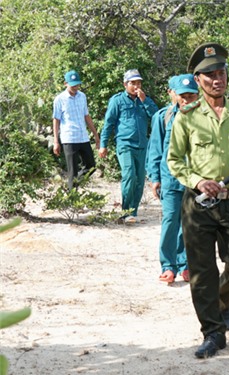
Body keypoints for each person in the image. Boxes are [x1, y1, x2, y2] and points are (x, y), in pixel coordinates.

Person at [167, 43, 229, 358]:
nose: (217, 79)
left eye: (221, 72)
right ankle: (212, 332)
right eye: (209, 75)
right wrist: (198, 181)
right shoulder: (186, 117)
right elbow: (175, 161)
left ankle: (222, 301)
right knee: (202, 270)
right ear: (197, 80)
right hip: (198, 205)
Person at [146, 74, 199, 285]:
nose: (186, 100)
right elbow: (156, 149)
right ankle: (168, 266)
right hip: (170, 179)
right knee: (170, 221)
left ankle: (186, 265)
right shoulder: (163, 117)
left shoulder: (205, 117)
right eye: (182, 96)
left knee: (191, 223)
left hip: (196, 181)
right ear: (174, 95)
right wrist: (155, 178)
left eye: (191, 95)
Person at [99, 69, 159, 223]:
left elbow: (157, 117)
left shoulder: (145, 99)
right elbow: (109, 123)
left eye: (138, 83)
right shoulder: (117, 100)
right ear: (125, 84)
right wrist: (103, 145)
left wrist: (145, 100)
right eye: (133, 83)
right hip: (125, 144)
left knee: (139, 179)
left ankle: (133, 212)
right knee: (129, 175)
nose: (136, 86)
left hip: (142, 145)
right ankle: (126, 211)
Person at [52, 70, 100, 190]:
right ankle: (72, 196)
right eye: (73, 84)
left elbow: (86, 116)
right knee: (73, 170)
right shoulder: (59, 99)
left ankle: (71, 186)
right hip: (69, 138)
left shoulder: (82, 96)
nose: (75, 87)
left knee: (91, 166)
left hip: (83, 136)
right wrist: (56, 142)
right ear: (65, 83)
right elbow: (56, 120)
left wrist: (95, 134)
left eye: (77, 84)